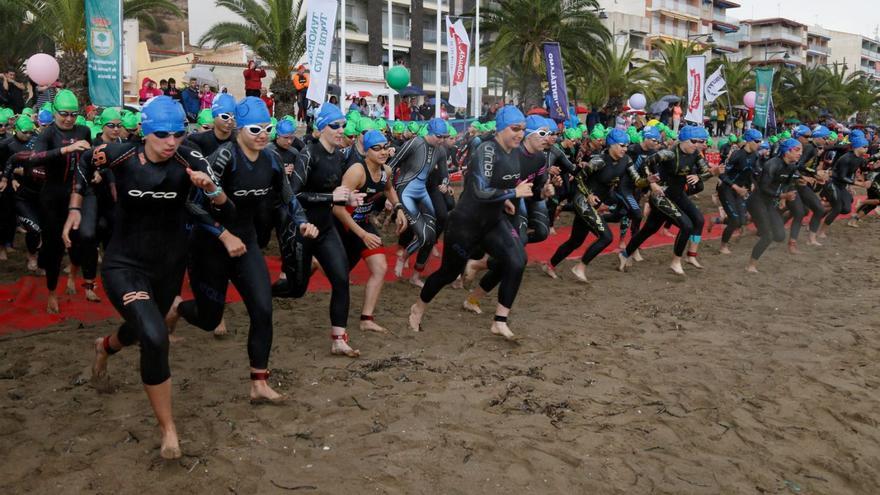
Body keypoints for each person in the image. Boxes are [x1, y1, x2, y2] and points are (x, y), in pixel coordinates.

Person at [62, 95, 232, 459]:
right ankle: (168, 430)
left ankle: (104, 347)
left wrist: (210, 190)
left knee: (146, 327)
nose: (172, 142)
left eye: (179, 134)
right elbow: (82, 161)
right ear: (145, 132)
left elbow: (226, 206)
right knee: (156, 337)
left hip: (168, 265)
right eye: (163, 135)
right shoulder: (120, 154)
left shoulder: (190, 160)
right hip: (124, 264)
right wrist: (76, 208)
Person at [168, 96, 318, 405]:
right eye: (255, 129)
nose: (263, 135)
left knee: (263, 310)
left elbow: (288, 196)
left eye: (268, 128)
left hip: (245, 240)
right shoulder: (225, 157)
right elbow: (193, 206)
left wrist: (302, 221)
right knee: (210, 319)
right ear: (238, 127)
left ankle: (259, 383)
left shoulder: (272, 159)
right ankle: (178, 308)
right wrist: (223, 235)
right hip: (210, 244)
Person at [408, 106, 531, 340]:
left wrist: (505, 200)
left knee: (517, 260)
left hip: (493, 222)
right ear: (501, 128)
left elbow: (499, 185)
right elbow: (481, 191)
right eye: (515, 129)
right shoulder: (487, 150)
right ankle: (419, 307)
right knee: (447, 273)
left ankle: (500, 321)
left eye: (523, 130)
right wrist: (512, 193)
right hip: (465, 225)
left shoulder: (514, 152)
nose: (519, 134)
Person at [272, 103, 365, 357]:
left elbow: (333, 194)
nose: (341, 130)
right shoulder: (308, 154)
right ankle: (262, 291)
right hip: (301, 229)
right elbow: (294, 195)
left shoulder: (338, 155)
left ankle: (339, 339)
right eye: (335, 125)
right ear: (322, 127)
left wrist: (347, 199)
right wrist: (330, 197)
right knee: (296, 288)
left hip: (324, 229)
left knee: (341, 280)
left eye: (343, 125)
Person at [5, 90, 92, 313]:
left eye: (73, 114)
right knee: (53, 248)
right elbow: (34, 159)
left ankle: (73, 273)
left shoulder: (84, 130)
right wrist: (66, 149)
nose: (69, 118)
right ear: (54, 113)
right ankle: (52, 292)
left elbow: (88, 162)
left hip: (77, 193)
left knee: (81, 239)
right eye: (64, 113)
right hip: (52, 196)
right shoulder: (47, 134)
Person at [618, 125, 720, 275]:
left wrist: (706, 174)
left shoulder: (696, 154)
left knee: (696, 220)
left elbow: (705, 173)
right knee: (685, 225)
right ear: (683, 140)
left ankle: (690, 256)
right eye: (694, 141)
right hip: (661, 196)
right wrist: (652, 184)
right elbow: (646, 163)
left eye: (701, 141)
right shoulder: (668, 154)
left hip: (678, 195)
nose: (698, 144)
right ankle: (676, 261)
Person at [333, 129, 405, 333]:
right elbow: (338, 209)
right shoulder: (357, 171)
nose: (383, 152)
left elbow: (389, 188)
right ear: (366, 151)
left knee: (380, 267)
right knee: (334, 273)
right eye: (377, 148)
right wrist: (362, 234)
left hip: (362, 222)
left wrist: (398, 207)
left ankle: (366, 318)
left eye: (385, 147)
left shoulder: (386, 171)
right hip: (342, 224)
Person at [548, 128, 636, 283]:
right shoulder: (599, 161)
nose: (625, 148)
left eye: (627, 145)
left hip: (595, 203)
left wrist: (649, 181)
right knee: (606, 236)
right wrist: (588, 194)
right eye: (622, 145)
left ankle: (549, 265)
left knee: (576, 241)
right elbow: (579, 178)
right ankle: (580, 267)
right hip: (582, 200)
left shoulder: (626, 160)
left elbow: (637, 180)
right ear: (611, 145)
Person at [388, 117, 448, 287]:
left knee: (430, 236)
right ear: (430, 132)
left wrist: (444, 184)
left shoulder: (441, 150)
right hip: (405, 191)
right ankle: (403, 257)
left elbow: (444, 174)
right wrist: (389, 193)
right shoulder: (415, 143)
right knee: (423, 235)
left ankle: (415, 275)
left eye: (444, 137)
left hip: (421, 192)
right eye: (439, 136)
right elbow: (392, 164)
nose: (442, 140)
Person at [746, 139, 802, 273]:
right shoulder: (772, 164)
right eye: (797, 150)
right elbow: (764, 188)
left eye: (801, 151)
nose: (800, 154)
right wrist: (782, 196)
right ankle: (751, 265)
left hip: (770, 202)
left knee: (780, 235)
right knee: (768, 235)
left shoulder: (792, 165)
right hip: (757, 201)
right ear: (787, 151)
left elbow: (788, 182)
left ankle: (751, 222)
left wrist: (784, 195)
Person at [0, 116, 41, 269]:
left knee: (34, 223)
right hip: (10, 185)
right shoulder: (6, 145)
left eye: (31, 132)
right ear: (16, 130)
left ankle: (26, 250)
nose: (29, 135)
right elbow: (4, 166)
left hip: (29, 185)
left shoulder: (36, 141)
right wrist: (10, 178)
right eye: (26, 132)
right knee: (6, 215)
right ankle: (2, 247)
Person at [717, 129, 761, 254]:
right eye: (757, 141)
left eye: (760, 141)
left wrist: (752, 183)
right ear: (748, 141)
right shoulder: (737, 155)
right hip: (727, 189)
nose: (759, 144)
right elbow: (722, 175)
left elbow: (753, 172)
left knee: (743, 220)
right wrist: (736, 187)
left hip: (740, 190)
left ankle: (716, 221)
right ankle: (723, 246)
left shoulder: (755, 155)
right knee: (735, 220)